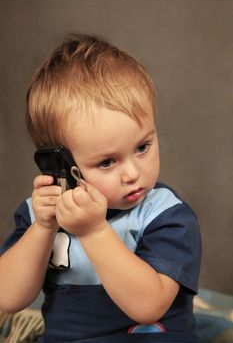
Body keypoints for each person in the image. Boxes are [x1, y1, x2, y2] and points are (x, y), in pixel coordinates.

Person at [0, 34, 201, 343]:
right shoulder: (40, 213)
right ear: (60, 164)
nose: (133, 173)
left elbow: (149, 305)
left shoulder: (164, 214)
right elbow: (8, 298)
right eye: (107, 162)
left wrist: (94, 231)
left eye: (143, 146)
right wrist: (42, 228)